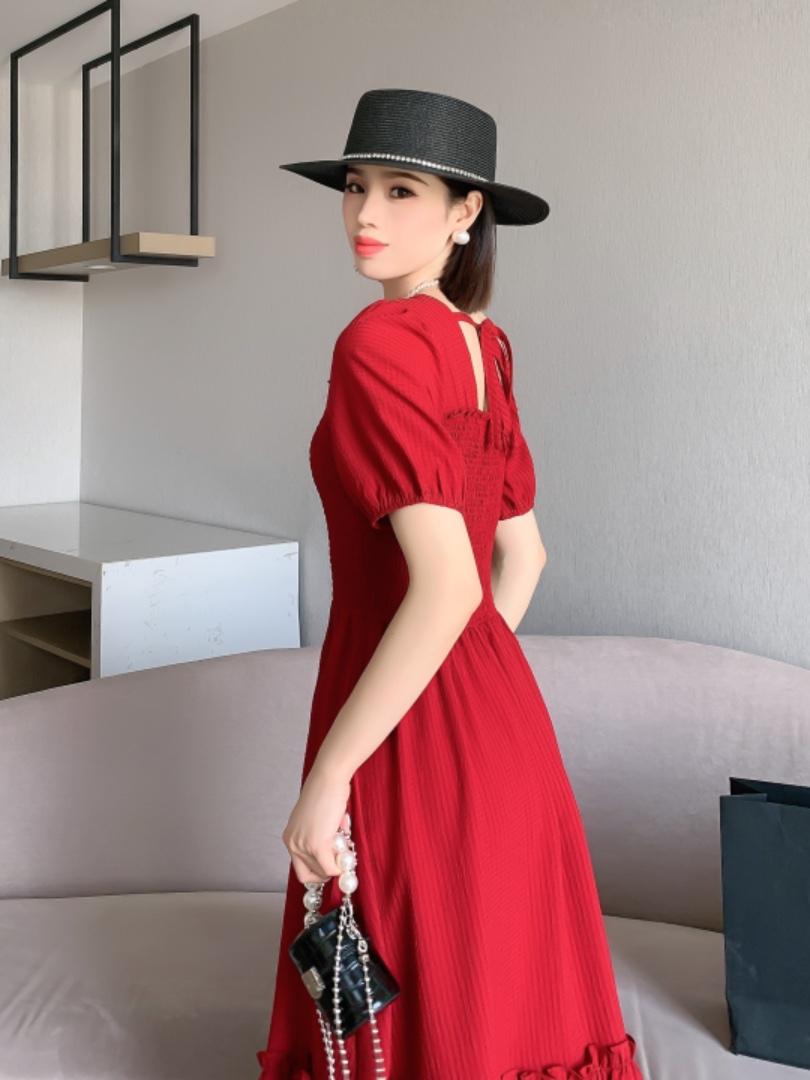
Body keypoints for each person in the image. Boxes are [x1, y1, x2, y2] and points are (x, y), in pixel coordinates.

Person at [256, 88, 644, 1080]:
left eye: (401, 191)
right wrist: (463, 677)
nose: (364, 213)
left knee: (412, 1003)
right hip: (499, 719)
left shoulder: (379, 342)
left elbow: (443, 588)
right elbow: (522, 558)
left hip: (401, 719)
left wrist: (330, 777)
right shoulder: (485, 347)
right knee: (491, 999)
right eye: (355, 186)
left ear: (466, 211)